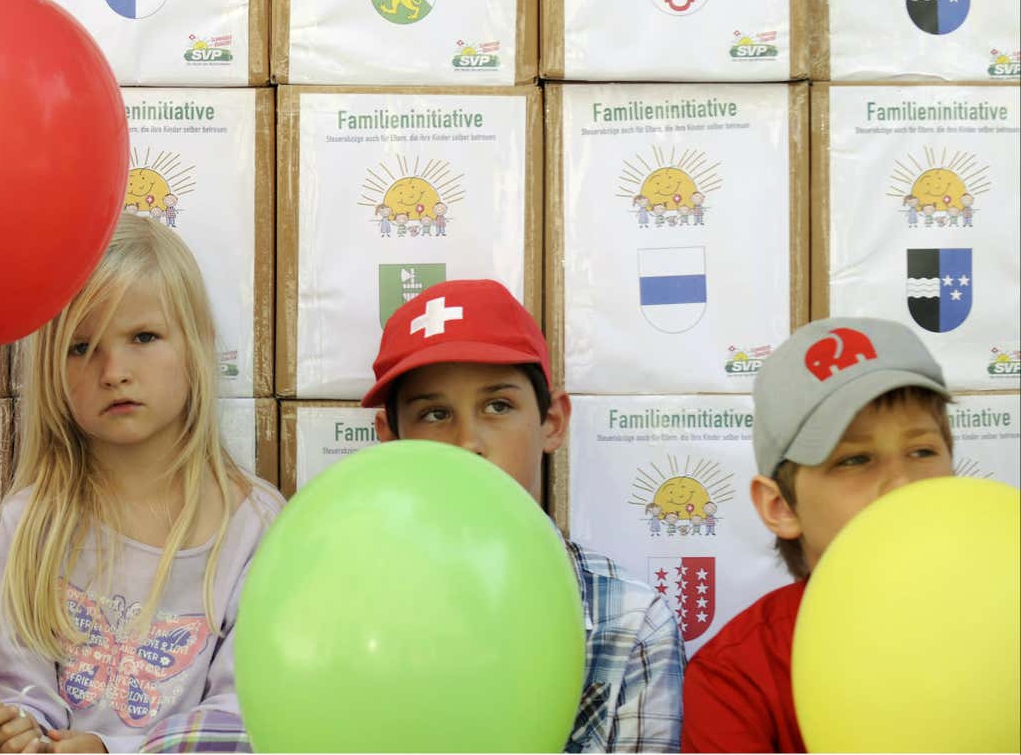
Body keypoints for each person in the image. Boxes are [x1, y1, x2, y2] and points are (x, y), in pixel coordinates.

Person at [0, 215, 282, 753]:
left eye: (144, 337)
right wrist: (16, 733)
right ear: (50, 368)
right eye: (80, 347)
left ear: (198, 346)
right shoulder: (31, 521)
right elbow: (14, 689)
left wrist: (107, 751)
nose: (114, 370)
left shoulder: (256, 522)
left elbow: (246, 717)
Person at [364, 279, 684, 752]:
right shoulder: (355, 605)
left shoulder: (631, 623)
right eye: (434, 414)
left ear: (551, 422)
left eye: (498, 406)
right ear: (390, 437)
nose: (467, 442)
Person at [681, 318, 955, 752]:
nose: (903, 483)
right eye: (855, 460)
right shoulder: (735, 676)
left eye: (922, 451)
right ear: (781, 507)